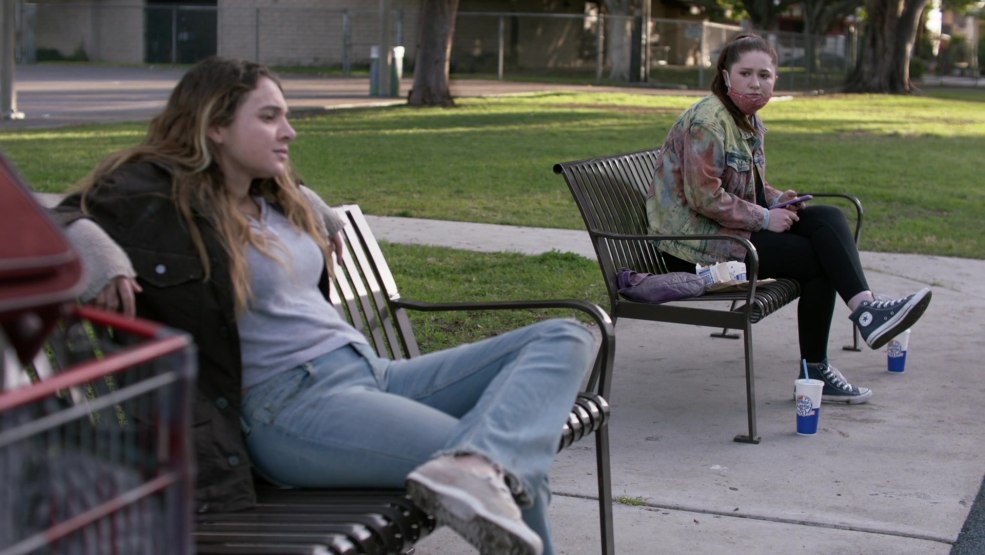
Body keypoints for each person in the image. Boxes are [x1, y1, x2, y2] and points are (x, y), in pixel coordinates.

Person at [53, 56, 596, 555]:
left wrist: (307, 202)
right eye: (269, 117)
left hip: (373, 374)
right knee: (505, 470)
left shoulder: (271, 197)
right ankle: (476, 464)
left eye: (286, 116)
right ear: (214, 126)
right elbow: (55, 220)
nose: (288, 131)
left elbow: (289, 188)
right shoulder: (160, 207)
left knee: (563, 336)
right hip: (290, 409)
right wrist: (96, 248)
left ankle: (478, 461)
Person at [646, 34, 931, 404]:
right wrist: (765, 217)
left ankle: (865, 308)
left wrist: (779, 200)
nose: (755, 83)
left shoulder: (746, 120)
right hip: (691, 247)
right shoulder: (708, 122)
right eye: (745, 73)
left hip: (725, 233)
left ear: (775, 80)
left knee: (827, 217)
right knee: (818, 262)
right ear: (726, 76)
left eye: (764, 75)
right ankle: (821, 365)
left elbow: (745, 185)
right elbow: (704, 197)